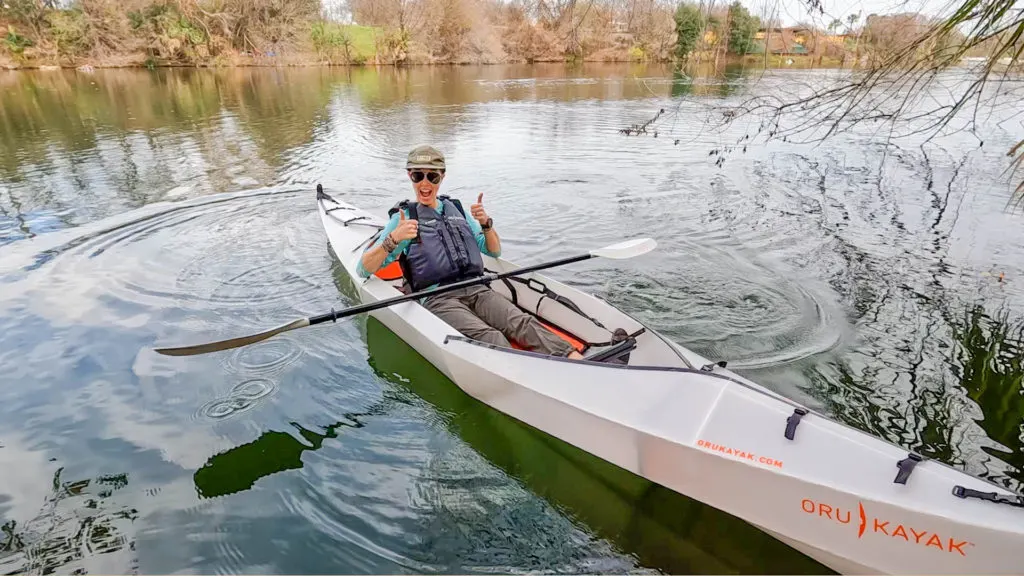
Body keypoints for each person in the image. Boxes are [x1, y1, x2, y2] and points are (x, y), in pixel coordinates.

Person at [358, 145, 584, 360]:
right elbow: (363, 268)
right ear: (410, 176)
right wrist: (393, 239)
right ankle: (529, 376)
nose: (425, 183)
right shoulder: (403, 218)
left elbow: (493, 251)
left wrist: (486, 224)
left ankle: (574, 358)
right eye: (418, 175)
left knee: (522, 322)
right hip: (439, 297)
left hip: (477, 288)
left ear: (442, 177)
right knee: (491, 337)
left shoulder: (456, 209)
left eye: (432, 176)